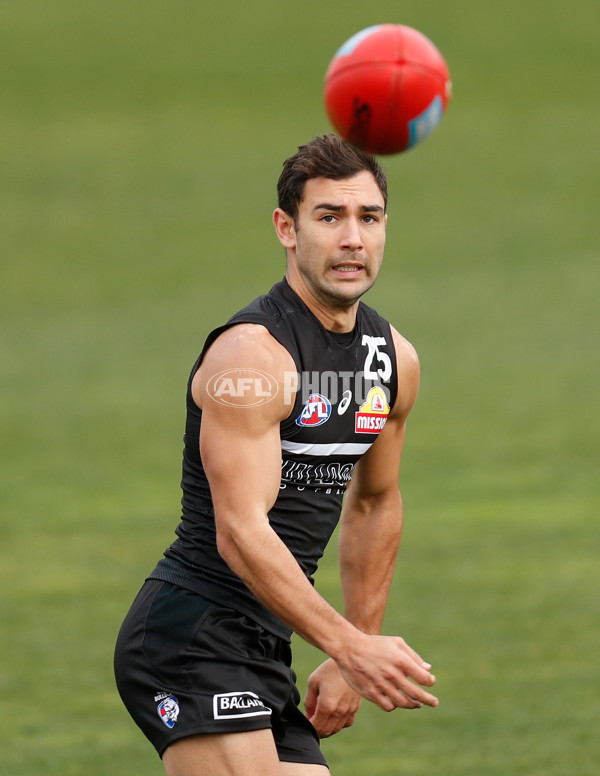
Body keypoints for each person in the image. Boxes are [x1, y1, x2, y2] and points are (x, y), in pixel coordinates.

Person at [114, 133, 438, 776]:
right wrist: (347, 644)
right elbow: (239, 532)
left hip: (263, 640)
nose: (352, 238)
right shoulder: (253, 359)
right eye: (329, 217)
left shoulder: (392, 358)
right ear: (286, 229)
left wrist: (358, 643)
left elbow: (374, 502)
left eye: (368, 218)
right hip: (190, 635)